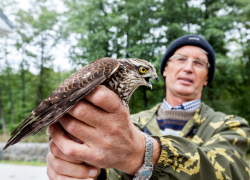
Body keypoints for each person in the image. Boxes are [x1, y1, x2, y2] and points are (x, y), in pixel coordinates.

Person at [46, 35, 250, 180]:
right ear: (164, 70)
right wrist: (87, 171)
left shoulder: (231, 125)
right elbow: (110, 172)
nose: (188, 68)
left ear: (207, 78)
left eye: (199, 63)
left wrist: (142, 153)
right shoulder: (128, 122)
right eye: (180, 59)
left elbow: (234, 171)